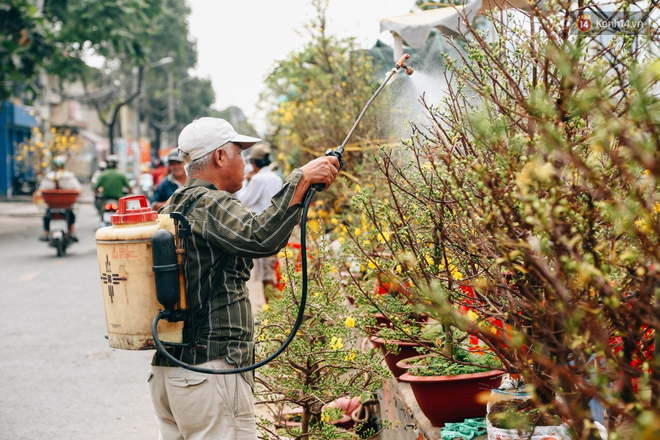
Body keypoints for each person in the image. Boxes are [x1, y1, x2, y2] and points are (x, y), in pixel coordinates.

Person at [150, 117, 339, 439]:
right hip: (209, 372)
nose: (246, 163)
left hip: (170, 373)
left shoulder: (174, 204)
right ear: (220, 157)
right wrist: (300, 179)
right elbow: (259, 238)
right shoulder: (210, 202)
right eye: (241, 153)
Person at [235, 143, 283, 298]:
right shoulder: (276, 178)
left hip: (263, 231)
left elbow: (243, 200)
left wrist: (246, 182)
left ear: (254, 162)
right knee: (272, 274)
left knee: (266, 277)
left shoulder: (258, 179)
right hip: (277, 229)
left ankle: (274, 313)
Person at [38, 155, 82, 242]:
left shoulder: (48, 176)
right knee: (72, 215)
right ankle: (72, 232)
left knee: (46, 216)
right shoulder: (69, 176)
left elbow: (41, 189)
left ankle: (46, 233)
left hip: (52, 204)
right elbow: (78, 188)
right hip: (67, 204)